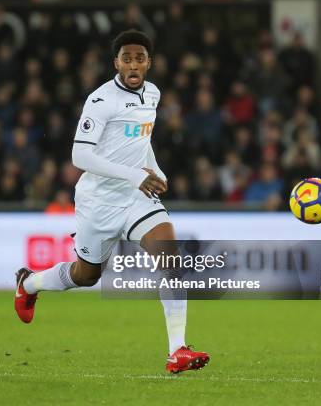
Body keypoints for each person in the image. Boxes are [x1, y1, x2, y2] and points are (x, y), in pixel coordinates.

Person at [14, 30, 210, 374]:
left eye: (140, 58)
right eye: (126, 58)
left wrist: (154, 169)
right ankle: (29, 283)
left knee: (171, 256)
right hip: (98, 202)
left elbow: (141, 141)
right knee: (85, 276)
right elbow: (80, 155)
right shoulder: (101, 100)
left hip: (136, 198)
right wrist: (135, 175)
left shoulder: (153, 93)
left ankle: (177, 350)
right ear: (116, 63)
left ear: (149, 63)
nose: (133, 64)